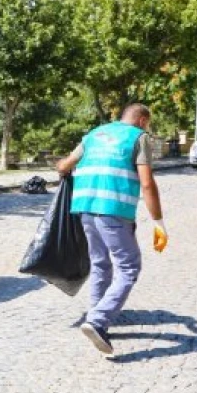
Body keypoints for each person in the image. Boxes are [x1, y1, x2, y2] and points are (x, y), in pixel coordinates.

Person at [55, 103, 168, 355]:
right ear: (141, 121)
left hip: (84, 207)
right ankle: (97, 321)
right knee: (129, 267)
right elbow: (147, 183)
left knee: (100, 263)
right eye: (147, 124)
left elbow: (64, 166)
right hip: (114, 210)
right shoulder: (139, 138)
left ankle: (94, 316)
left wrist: (64, 168)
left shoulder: (93, 135)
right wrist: (158, 222)